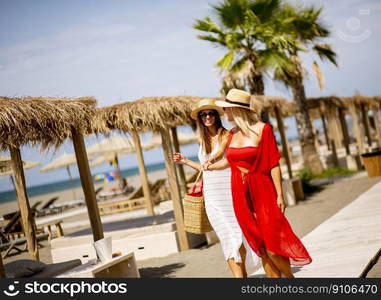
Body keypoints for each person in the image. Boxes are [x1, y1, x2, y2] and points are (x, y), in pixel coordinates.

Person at [206, 89, 312, 278]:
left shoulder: (263, 129)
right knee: (260, 246)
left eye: (227, 109)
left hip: (262, 190)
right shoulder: (231, 134)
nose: (225, 114)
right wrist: (210, 166)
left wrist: (280, 194)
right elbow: (230, 161)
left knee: (272, 244)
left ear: (237, 110)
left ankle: (290, 278)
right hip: (239, 193)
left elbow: (273, 164)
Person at [173, 98, 259, 278]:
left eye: (210, 113)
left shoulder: (226, 135)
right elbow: (204, 169)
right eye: (203, 114)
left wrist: (210, 164)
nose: (207, 117)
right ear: (200, 119)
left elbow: (227, 160)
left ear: (216, 116)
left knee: (237, 234)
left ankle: (242, 274)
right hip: (211, 195)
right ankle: (239, 278)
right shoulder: (202, 139)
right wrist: (185, 161)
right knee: (225, 236)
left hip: (229, 190)